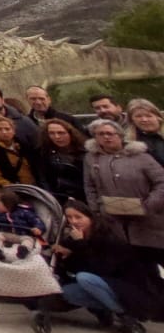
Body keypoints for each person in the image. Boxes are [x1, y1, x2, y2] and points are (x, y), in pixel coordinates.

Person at [51, 202, 157, 333]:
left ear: (90, 217)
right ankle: (104, 310)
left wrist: (80, 245)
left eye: (78, 217)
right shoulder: (77, 237)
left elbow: (100, 268)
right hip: (102, 283)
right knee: (67, 293)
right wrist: (68, 254)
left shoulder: (106, 236)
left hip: (126, 286)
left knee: (84, 278)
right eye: (70, 218)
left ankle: (125, 317)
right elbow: (78, 266)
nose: (74, 221)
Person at [84, 119, 164, 267]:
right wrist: (97, 210)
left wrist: (149, 205)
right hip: (114, 222)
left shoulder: (141, 157)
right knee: (137, 268)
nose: (106, 137)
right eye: (101, 134)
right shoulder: (91, 159)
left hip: (149, 220)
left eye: (110, 133)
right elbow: (90, 186)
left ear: (120, 135)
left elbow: (161, 182)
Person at [36, 118, 87, 201]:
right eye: (51, 133)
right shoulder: (44, 154)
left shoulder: (84, 152)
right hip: (60, 196)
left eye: (61, 133)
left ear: (70, 133)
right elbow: (43, 179)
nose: (57, 137)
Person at [0, 115, 35, 189]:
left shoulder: (24, 145)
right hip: (11, 190)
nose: (4, 132)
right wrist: (12, 187)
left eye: (7, 129)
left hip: (34, 187)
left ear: (13, 131)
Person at [129, 99, 164, 167]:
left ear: (157, 117)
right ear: (132, 120)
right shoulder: (128, 143)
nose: (144, 120)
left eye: (149, 116)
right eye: (138, 116)